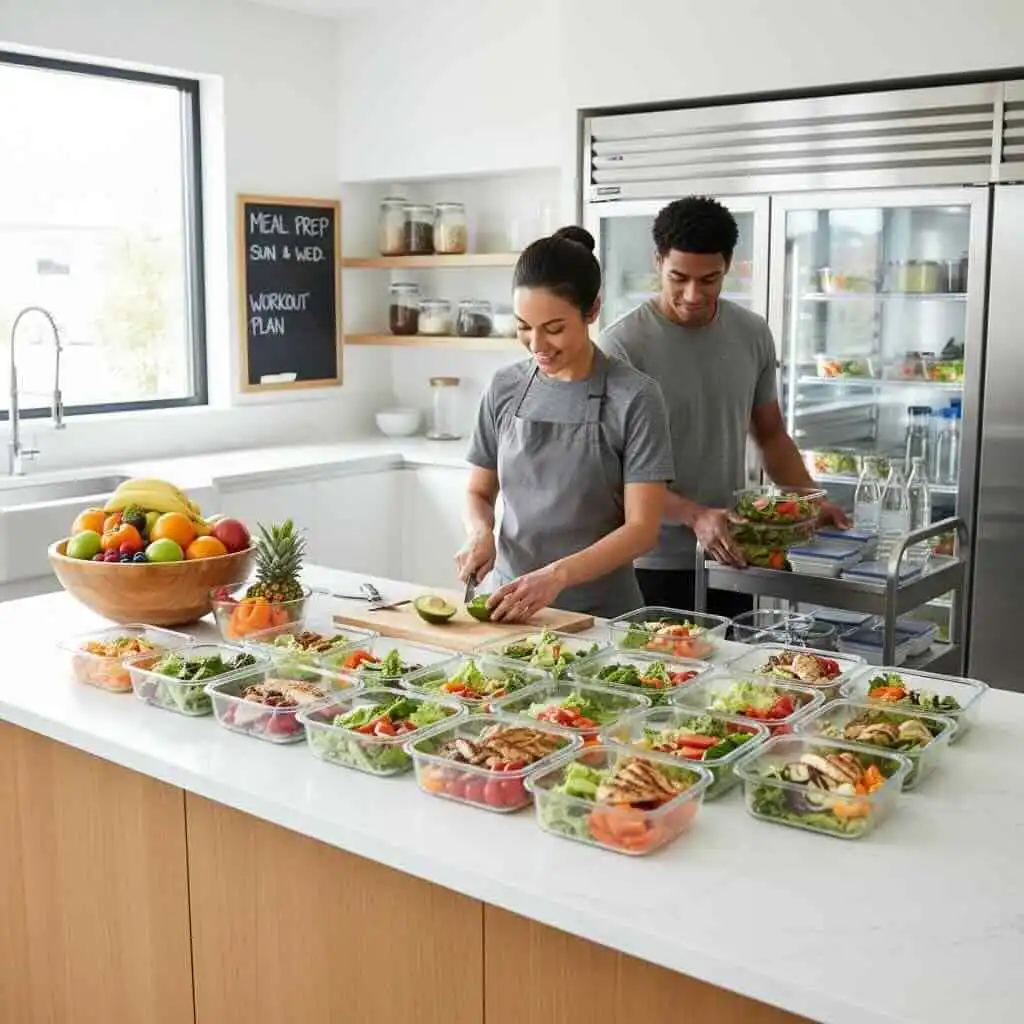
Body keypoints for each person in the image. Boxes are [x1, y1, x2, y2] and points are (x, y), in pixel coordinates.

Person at [600, 196, 848, 618]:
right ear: (657, 261)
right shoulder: (621, 346)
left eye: (710, 279)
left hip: (733, 556)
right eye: (679, 277)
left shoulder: (751, 333)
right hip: (647, 562)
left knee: (735, 680)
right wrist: (694, 514)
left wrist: (808, 498)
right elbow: (610, 471)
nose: (694, 294)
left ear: (728, 266)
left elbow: (770, 434)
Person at [456, 225, 674, 622]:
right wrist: (479, 533)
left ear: (591, 310)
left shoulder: (635, 397)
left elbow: (642, 529)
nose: (537, 344)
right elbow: (478, 492)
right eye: (523, 326)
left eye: (553, 329)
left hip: (603, 618)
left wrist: (557, 576)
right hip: (510, 610)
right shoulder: (505, 387)